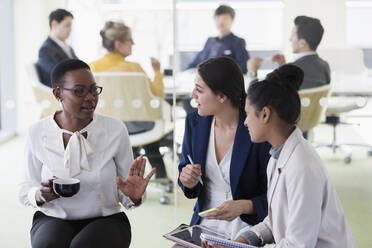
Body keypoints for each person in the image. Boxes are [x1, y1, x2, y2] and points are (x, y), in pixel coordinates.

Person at [203, 64, 355, 248]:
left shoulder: (302, 166)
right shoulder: (277, 154)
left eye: (248, 113)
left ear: (265, 114)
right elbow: (273, 222)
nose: (245, 122)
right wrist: (239, 242)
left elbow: (297, 246)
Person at [19, 59, 156, 248]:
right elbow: (25, 189)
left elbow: (127, 193)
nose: (90, 97)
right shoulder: (37, 132)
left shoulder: (115, 129)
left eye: (93, 89)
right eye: (79, 91)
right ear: (58, 93)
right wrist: (40, 195)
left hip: (106, 219)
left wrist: (133, 196)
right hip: (53, 217)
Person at [178, 57, 271, 241]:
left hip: (249, 226)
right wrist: (187, 180)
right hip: (204, 224)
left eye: (199, 90)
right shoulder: (194, 122)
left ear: (222, 96)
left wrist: (244, 206)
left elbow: (276, 197)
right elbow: (185, 170)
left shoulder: (257, 128)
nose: (192, 95)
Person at [90, 21, 172, 186]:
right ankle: (161, 176)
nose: (133, 43)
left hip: (107, 126)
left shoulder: (93, 67)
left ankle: (122, 175)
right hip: (141, 128)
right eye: (130, 40)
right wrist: (157, 72)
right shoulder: (134, 68)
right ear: (119, 44)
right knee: (147, 129)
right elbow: (158, 94)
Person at [247, 16, 330, 90]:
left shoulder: (290, 71)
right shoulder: (325, 67)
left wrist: (252, 73)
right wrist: (283, 67)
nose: (290, 39)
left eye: (293, 34)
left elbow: (257, 100)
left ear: (302, 43)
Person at [185, 5, 250, 74]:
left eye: (225, 18)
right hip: (205, 80)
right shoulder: (210, 41)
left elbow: (243, 68)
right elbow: (196, 61)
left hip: (225, 81)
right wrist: (184, 72)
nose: (221, 21)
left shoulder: (238, 42)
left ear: (232, 20)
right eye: (218, 18)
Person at [37, 9, 78, 87]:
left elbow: (80, 68)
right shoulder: (45, 50)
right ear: (54, 24)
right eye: (67, 25)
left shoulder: (68, 48)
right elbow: (57, 76)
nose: (70, 29)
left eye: (71, 26)